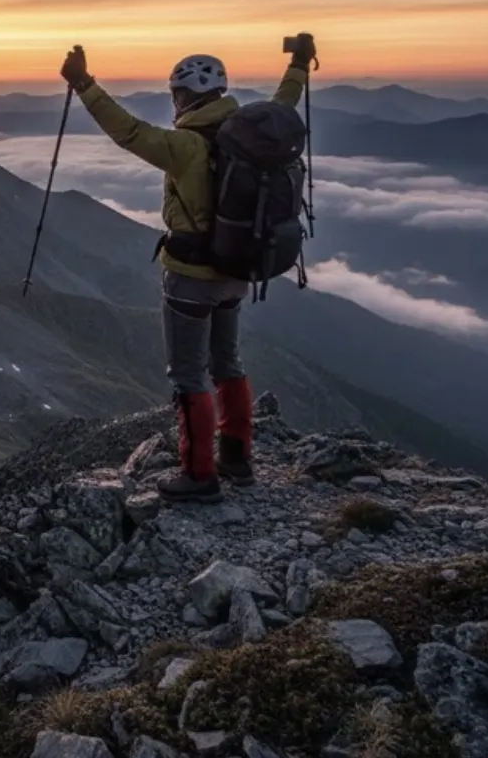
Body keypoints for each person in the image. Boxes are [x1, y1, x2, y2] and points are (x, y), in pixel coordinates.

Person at [60, 39, 316, 502]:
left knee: (188, 375)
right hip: (240, 272)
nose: (174, 103)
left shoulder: (183, 146)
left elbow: (128, 131)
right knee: (228, 364)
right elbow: (286, 100)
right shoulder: (260, 135)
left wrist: (84, 84)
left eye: (175, 95)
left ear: (183, 98)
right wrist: (298, 63)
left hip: (190, 279)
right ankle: (236, 459)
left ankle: (199, 475)